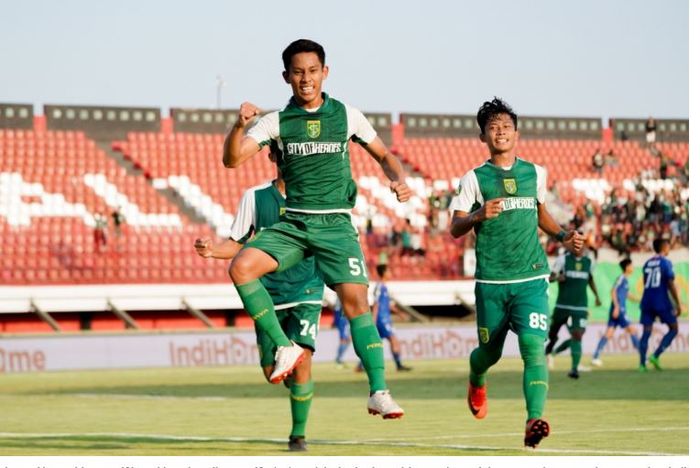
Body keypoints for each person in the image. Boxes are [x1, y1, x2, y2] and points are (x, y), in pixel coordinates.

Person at [222, 39, 410, 419]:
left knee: (357, 303)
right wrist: (237, 126)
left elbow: (386, 155)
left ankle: (379, 391)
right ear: (286, 77)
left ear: (325, 72)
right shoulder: (275, 122)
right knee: (240, 267)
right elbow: (232, 160)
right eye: (297, 72)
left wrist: (397, 179)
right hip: (294, 223)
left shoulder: (347, 115)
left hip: (335, 225)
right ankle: (283, 346)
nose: (305, 79)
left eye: (312, 71)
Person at [449, 97, 584, 448]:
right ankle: (476, 378)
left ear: (516, 133)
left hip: (531, 277)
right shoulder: (473, 179)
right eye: (493, 128)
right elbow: (455, 227)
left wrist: (563, 236)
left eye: (506, 126)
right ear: (483, 137)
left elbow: (540, 212)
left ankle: (534, 420)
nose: (500, 132)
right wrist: (478, 216)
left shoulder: (535, 173)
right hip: (492, 281)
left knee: (532, 346)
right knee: (488, 354)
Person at [194, 154, 322, 452]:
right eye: (287, 152)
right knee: (271, 373)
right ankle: (295, 384)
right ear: (274, 157)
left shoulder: (318, 197)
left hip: (307, 290)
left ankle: (298, 435)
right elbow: (236, 244)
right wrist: (213, 251)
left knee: (303, 364)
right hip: (267, 295)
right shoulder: (254, 197)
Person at [544, 246, 602, 379]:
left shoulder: (589, 262)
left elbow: (590, 279)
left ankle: (574, 369)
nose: (579, 247)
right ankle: (549, 351)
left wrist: (597, 296)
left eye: (581, 243)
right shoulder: (562, 260)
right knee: (552, 334)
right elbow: (550, 278)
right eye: (576, 243)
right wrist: (558, 278)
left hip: (580, 306)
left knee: (577, 335)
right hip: (562, 305)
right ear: (570, 246)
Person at [638, 238, 683, 372]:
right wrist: (678, 304)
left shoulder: (647, 263)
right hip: (661, 300)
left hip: (647, 301)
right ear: (664, 247)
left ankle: (641, 364)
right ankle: (655, 355)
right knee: (674, 328)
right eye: (668, 246)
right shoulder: (666, 263)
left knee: (646, 332)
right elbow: (670, 284)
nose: (669, 249)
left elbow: (646, 282)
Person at [358, 264, 412, 373]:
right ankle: (399, 365)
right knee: (394, 340)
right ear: (383, 273)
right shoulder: (379, 286)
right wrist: (373, 319)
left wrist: (400, 314)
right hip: (382, 319)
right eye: (389, 271)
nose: (390, 273)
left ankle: (361, 365)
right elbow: (376, 304)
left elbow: (388, 305)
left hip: (385, 318)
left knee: (374, 343)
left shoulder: (384, 287)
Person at [591, 258, 640, 366]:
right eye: (631, 265)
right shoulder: (621, 278)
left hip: (617, 310)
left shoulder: (626, 280)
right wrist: (617, 307)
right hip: (619, 310)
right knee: (633, 330)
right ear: (627, 267)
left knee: (608, 333)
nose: (633, 267)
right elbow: (613, 291)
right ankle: (643, 357)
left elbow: (626, 294)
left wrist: (639, 299)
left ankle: (595, 357)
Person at [332, 295, 351, 368]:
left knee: (348, 339)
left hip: (343, 319)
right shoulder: (341, 294)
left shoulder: (340, 294)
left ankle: (339, 359)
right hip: (343, 319)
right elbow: (340, 308)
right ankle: (339, 361)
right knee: (343, 339)